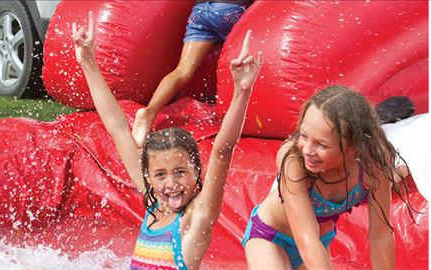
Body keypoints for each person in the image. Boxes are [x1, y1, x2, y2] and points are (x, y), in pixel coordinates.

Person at [72, 11, 262, 269]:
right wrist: (88, 63)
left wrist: (242, 91)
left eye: (180, 172)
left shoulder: (197, 217)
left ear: (197, 171)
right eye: (160, 175)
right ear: (148, 177)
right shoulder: (154, 205)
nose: (171, 183)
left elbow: (223, 150)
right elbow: (117, 127)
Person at [242, 86, 417, 269]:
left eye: (321, 145)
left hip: (319, 240)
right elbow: (306, 238)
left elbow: (381, 235)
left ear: (353, 147)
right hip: (272, 236)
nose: (308, 150)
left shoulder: (374, 163)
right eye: (303, 135)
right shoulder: (293, 160)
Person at [132, 0, 254, 147]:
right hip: (230, 11)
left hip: (201, 12)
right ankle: (240, 117)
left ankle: (149, 113)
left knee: (182, 71)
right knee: (247, 58)